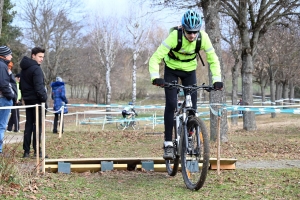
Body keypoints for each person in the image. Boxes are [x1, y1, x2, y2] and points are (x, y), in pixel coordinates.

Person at [148, 10, 223, 160]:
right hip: (172, 70)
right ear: (183, 28)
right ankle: (168, 143)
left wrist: (217, 79)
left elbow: (213, 59)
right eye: (189, 32)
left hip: (189, 71)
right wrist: (155, 77)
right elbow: (156, 57)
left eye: (195, 32)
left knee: (192, 108)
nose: (192, 35)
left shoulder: (203, 38)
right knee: (171, 103)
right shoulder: (174, 37)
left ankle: (189, 134)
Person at [19, 47, 47, 158]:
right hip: (37, 101)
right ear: (33, 55)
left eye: (43, 57)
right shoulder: (36, 69)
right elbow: (39, 87)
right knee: (38, 126)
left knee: (29, 125)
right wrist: (44, 98)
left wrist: (25, 97)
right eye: (40, 56)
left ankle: (26, 152)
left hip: (28, 100)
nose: (42, 59)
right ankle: (37, 151)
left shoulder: (24, 69)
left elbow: (21, 86)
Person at [0, 46, 17, 154]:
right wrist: (11, 95)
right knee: (1, 126)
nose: (11, 56)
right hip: (3, 99)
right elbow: (4, 84)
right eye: (10, 54)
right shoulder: (2, 66)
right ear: (5, 55)